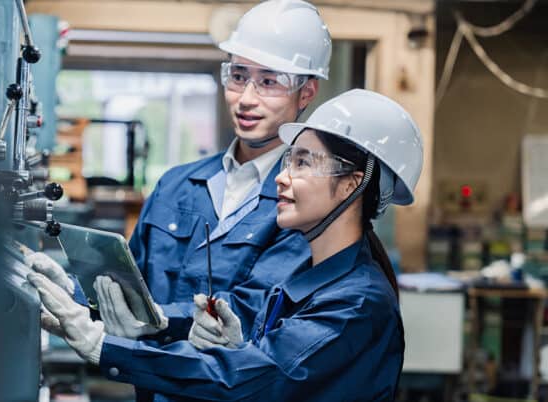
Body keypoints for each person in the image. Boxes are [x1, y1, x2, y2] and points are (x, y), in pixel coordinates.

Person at [30, 89, 424, 401]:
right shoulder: (305, 279)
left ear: (352, 184)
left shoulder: (357, 302)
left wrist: (105, 348)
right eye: (288, 162)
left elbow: (260, 377)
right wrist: (233, 346)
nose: (281, 179)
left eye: (303, 163)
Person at [28, 0, 332, 345]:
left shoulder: (306, 201)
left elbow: (254, 312)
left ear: (306, 92)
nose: (246, 98)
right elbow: (129, 290)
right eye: (238, 76)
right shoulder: (176, 185)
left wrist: (158, 320)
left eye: (269, 81)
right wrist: (74, 292)